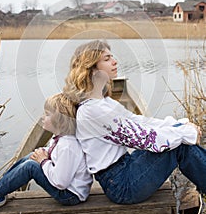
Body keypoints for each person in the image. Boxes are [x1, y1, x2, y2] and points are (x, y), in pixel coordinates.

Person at [63, 39, 206, 204]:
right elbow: (145, 139)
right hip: (121, 186)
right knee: (179, 146)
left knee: (179, 141)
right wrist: (186, 132)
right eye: (107, 59)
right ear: (92, 67)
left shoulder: (102, 102)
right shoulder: (92, 110)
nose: (115, 61)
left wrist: (180, 125)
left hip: (125, 168)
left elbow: (139, 121)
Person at [0, 93, 93, 208]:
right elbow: (56, 155)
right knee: (32, 156)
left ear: (61, 121)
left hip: (70, 195)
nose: (42, 117)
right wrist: (43, 153)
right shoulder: (62, 138)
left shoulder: (68, 146)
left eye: (47, 114)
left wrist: (44, 160)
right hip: (67, 189)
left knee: (31, 167)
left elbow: (60, 182)